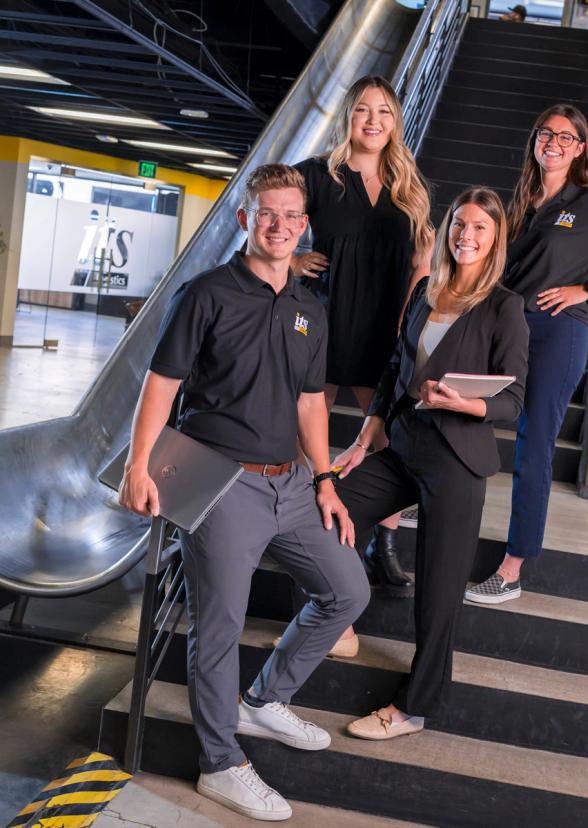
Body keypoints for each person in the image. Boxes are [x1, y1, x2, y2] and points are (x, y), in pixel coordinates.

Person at [118, 163, 370, 822]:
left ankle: (262, 701)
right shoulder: (206, 294)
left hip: (290, 481)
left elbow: (312, 403)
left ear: (304, 222)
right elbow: (163, 382)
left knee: (348, 589)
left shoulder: (309, 308)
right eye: (267, 214)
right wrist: (136, 465)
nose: (280, 226)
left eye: (292, 214)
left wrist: (324, 481)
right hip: (220, 482)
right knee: (219, 626)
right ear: (244, 220)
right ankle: (220, 763)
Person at [332, 188, 529, 739]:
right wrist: (368, 429)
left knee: (439, 590)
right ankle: (341, 622)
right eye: (459, 225)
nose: (467, 236)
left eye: (480, 229)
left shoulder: (504, 306)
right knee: (332, 509)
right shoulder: (427, 289)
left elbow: (514, 401)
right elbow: (398, 363)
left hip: (457, 458)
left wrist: (467, 404)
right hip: (402, 445)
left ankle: (414, 707)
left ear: (495, 240)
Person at [464, 103, 588, 605]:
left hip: (558, 331)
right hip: (506, 323)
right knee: (457, 410)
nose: (552, 142)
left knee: (534, 447)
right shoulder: (521, 198)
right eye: (544, 132)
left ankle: (512, 569)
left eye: (564, 136)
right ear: (534, 140)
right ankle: (417, 497)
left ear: (580, 148)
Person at [292, 75, 433, 612]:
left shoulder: (409, 185)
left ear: (395, 123)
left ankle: (384, 541)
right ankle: (305, 525)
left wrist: (410, 325)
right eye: (363, 111)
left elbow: (422, 263)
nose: (373, 121)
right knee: (311, 424)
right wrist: (294, 261)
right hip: (327, 315)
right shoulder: (316, 174)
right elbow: (268, 219)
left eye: (384, 113)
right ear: (348, 117)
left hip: (386, 324)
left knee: (389, 438)